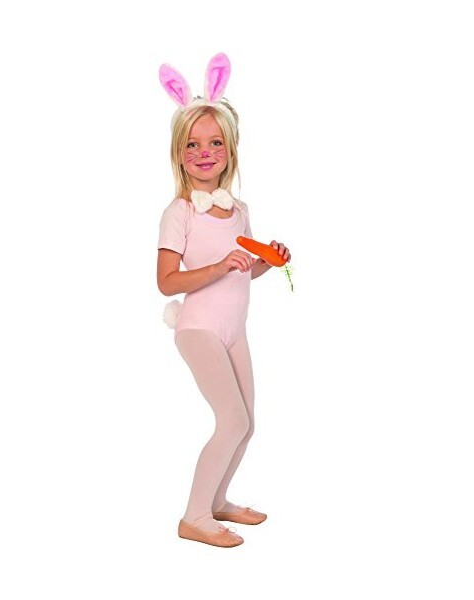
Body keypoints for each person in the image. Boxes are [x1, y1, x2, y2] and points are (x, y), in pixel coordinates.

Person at [156, 53, 291, 548]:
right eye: (192, 144)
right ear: (179, 154)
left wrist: (267, 262)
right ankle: (193, 517)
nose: (204, 152)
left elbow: (243, 273)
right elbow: (166, 282)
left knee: (247, 423)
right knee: (230, 419)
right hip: (198, 329)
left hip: (234, 331)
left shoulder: (240, 210)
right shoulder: (179, 212)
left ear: (231, 151)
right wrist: (217, 267)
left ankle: (216, 501)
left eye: (215, 142)